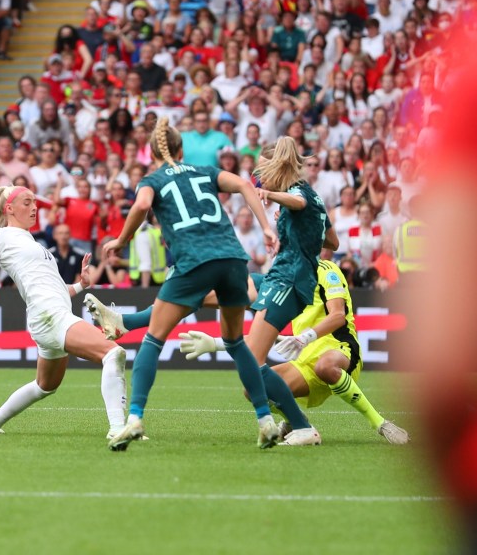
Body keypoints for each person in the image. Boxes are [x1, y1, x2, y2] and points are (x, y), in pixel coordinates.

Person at [101, 117, 282, 452]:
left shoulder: (152, 180)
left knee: (154, 339)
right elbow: (244, 184)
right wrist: (267, 228)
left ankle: (135, 418)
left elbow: (141, 205)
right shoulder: (205, 171)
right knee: (235, 342)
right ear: (181, 149)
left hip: (193, 261)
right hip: (231, 260)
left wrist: (122, 239)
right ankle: (265, 420)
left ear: (151, 153)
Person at [88, 264, 409, 444]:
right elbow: (264, 337)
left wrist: (308, 335)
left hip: (337, 348)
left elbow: (337, 316)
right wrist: (215, 343)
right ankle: (299, 426)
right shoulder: (281, 280)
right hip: (304, 358)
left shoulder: (327, 271)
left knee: (326, 365)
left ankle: (380, 423)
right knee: (251, 386)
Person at [0, 185, 128, 439]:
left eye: (35, 202)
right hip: (50, 316)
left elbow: (55, 289)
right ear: (9, 208)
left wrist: (82, 284)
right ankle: (118, 428)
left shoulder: (31, 242)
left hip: (48, 316)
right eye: (27, 202)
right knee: (113, 354)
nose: (34, 207)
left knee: (45, 386)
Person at [242, 138, 341, 445]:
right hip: (285, 280)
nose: (262, 178)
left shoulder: (298, 193)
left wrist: (270, 195)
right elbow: (332, 242)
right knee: (227, 289)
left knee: (253, 362)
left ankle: (301, 426)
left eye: (264, 172)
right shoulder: (313, 199)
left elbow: (297, 202)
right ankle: (144, 320)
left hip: (288, 282)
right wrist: (297, 228)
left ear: (277, 167)